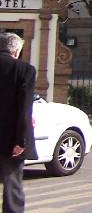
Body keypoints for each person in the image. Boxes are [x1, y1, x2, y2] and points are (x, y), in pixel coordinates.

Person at [0, 32, 37, 213]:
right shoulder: (24, 70)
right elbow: (24, 109)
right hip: (10, 138)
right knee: (12, 185)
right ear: (15, 50)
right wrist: (21, 140)